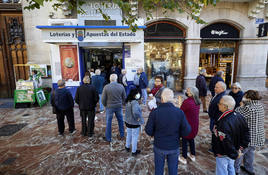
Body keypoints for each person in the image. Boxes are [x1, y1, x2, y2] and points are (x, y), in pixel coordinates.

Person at [145, 88, 191, 175]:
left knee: (159, 170)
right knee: (173, 170)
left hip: (159, 145)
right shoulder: (179, 112)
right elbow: (187, 130)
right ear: (172, 99)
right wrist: (179, 135)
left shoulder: (155, 112)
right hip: (174, 146)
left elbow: (148, 130)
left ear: (162, 99)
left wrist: (154, 133)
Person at [212, 95, 250, 175]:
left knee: (222, 171)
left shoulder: (224, 122)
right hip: (234, 150)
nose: (218, 104)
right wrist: (240, 149)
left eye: (219, 103)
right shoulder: (239, 116)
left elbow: (226, 141)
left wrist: (235, 154)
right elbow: (246, 133)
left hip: (224, 152)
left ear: (225, 106)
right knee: (230, 167)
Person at [234, 90, 265, 175]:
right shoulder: (259, 106)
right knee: (250, 153)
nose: (243, 97)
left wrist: (240, 106)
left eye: (245, 96)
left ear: (249, 98)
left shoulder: (248, 108)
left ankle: (235, 171)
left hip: (247, 137)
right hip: (257, 136)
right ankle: (249, 169)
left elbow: (236, 114)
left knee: (240, 153)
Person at [179, 87, 201, 164]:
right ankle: (192, 154)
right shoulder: (197, 101)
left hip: (187, 124)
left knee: (184, 140)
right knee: (191, 139)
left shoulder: (187, 102)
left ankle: (184, 157)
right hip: (194, 124)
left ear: (191, 93)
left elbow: (180, 112)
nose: (186, 91)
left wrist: (180, 103)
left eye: (187, 91)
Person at [102, 74, 126, 142]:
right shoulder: (121, 86)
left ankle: (108, 138)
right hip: (118, 106)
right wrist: (123, 104)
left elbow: (103, 99)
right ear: (117, 79)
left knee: (108, 122)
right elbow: (124, 97)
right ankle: (122, 134)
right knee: (121, 121)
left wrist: (105, 105)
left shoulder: (106, 87)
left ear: (110, 79)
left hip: (109, 107)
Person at [124, 88, 144, 156]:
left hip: (128, 121)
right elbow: (135, 112)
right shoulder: (134, 102)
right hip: (134, 123)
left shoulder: (128, 101)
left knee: (129, 134)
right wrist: (138, 118)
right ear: (135, 95)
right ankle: (134, 151)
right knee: (135, 136)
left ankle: (127, 147)